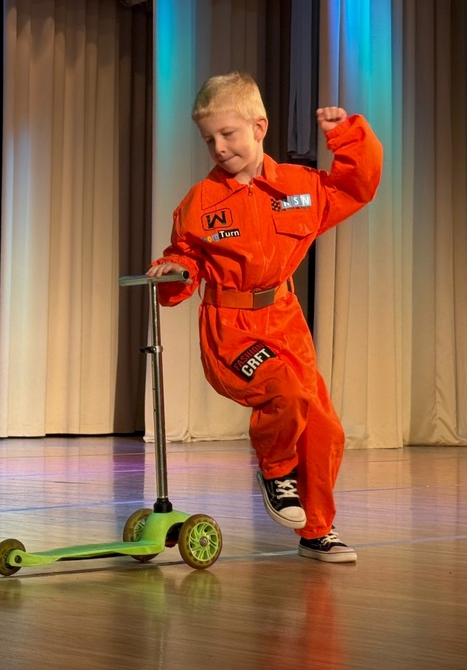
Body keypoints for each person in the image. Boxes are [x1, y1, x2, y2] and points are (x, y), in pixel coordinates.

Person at [146, 72, 383, 563]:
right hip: (230, 329)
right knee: (285, 391)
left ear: (259, 127)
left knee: (324, 428)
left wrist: (346, 136)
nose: (218, 147)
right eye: (208, 139)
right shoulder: (200, 202)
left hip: (285, 322)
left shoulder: (299, 188)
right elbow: (185, 257)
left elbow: (357, 186)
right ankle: (276, 471)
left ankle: (317, 532)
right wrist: (174, 272)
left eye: (227, 133)